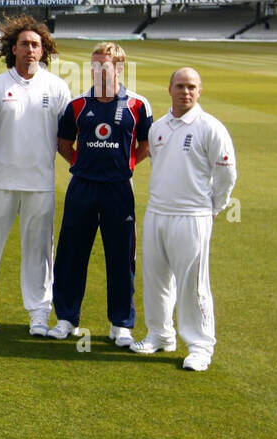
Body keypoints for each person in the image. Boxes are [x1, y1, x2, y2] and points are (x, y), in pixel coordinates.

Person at [0, 16, 71, 335]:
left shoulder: (57, 87)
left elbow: (64, 133)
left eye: (35, 44)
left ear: (43, 49)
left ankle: (38, 314)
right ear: (13, 48)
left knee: (39, 251)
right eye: (24, 44)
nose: (29, 50)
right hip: (0, 180)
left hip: (40, 183)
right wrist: (0, 157)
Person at [131, 67, 236, 371]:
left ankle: (201, 346)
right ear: (169, 89)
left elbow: (226, 174)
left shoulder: (210, 127)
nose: (185, 92)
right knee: (156, 278)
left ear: (199, 91)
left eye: (191, 87)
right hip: (157, 212)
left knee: (193, 284)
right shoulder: (158, 128)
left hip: (192, 216)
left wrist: (214, 206)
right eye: (180, 86)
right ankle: (160, 334)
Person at [49, 43, 151, 344]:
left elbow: (145, 145)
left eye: (103, 65)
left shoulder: (137, 105)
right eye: (93, 65)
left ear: (119, 68)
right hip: (82, 186)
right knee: (71, 254)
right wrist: (82, 165)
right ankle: (67, 318)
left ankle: (121, 323)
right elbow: (64, 143)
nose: (97, 71)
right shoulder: (78, 104)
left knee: (121, 256)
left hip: (119, 189)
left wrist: (126, 164)